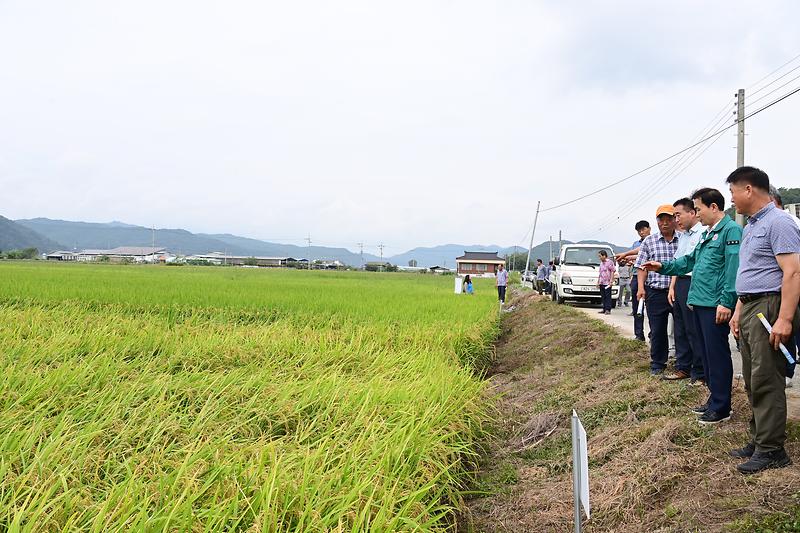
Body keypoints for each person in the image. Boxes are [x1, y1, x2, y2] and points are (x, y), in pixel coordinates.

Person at [643, 189, 740, 426]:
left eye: (698, 208)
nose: (696, 213)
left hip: (714, 303)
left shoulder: (731, 231)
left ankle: (721, 406)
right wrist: (661, 267)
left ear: (714, 207)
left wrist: (726, 302)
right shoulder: (708, 234)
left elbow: (732, 270)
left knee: (717, 355)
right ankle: (714, 399)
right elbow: (688, 262)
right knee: (705, 354)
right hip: (700, 301)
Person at [728, 167, 800, 474]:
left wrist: (784, 319)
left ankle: (772, 450)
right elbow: (749, 275)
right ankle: (759, 439)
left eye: (732, 191)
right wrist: (737, 311)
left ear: (748, 190)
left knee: (767, 378)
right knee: (752, 377)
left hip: (769, 308)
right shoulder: (750, 226)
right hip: (750, 307)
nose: (731, 199)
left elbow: (793, 272)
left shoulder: (779, 222)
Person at [662, 198, 706, 385]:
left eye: (678, 215)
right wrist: (672, 287)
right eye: (674, 216)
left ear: (692, 213)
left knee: (693, 329)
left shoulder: (703, 233)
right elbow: (678, 263)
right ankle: (683, 367)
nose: (675, 219)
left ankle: (699, 372)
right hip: (680, 282)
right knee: (680, 328)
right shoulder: (684, 236)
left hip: (694, 283)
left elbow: (696, 264)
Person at [635, 206, 679, 376]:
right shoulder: (649, 241)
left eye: (669, 219)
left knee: (682, 329)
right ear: (657, 222)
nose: (665, 223)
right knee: (657, 328)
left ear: (675, 219)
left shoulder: (682, 239)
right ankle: (658, 363)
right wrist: (640, 287)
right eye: (661, 219)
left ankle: (682, 363)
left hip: (677, 291)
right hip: (655, 291)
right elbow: (641, 267)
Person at [770, 185, 800, 387]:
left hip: (791, 283)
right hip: (785, 284)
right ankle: (787, 371)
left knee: (790, 328)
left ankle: (788, 372)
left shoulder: (785, 221)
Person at [616, 220, 652, 341]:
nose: (641, 232)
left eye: (643, 229)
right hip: (636, 276)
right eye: (639, 231)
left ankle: (653, 334)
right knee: (637, 308)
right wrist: (627, 261)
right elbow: (633, 260)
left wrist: (629, 256)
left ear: (649, 228)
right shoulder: (635, 244)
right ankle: (638, 334)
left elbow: (643, 255)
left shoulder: (655, 241)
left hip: (650, 277)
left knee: (652, 308)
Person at [597, 250, 616, 314]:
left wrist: (611, 281)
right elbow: (600, 273)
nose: (599, 258)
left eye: (600, 256)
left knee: (608, 296)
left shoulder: (610, 262)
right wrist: (598, 281)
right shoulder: (601, 263)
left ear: (604, 256)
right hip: (602, 282)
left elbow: (613, 271)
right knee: (603, 296)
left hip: (607, 283)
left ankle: (608, 309)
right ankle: (604, 308)